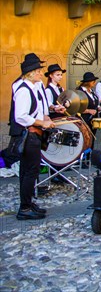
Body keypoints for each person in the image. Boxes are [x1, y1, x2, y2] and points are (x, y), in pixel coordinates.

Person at [10, 53, 55, 220]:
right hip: (29, 136)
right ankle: (25, 207)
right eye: (38, 71)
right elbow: (20, 116)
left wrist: (45, 117)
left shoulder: (31, 87)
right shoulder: (23, 90)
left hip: (33, 134)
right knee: (30, 171)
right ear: (31, 73)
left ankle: (27, 203)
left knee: (28, 171)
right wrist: (41, 123)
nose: (40, 73)